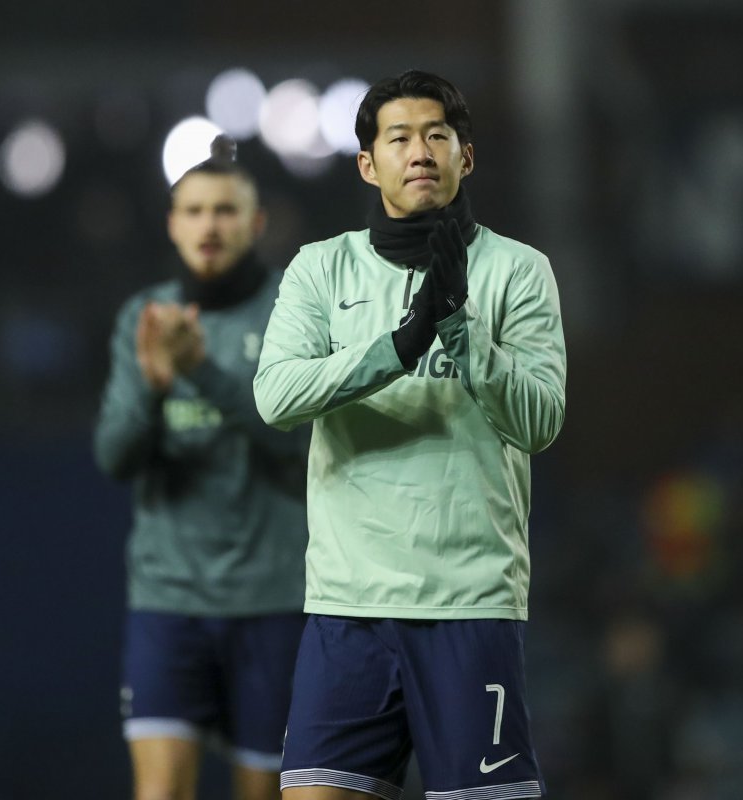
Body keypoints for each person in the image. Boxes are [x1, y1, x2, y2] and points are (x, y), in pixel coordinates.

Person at [253, 69, 567, 800]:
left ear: (466, 156)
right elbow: (276, 398)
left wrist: (459, 327)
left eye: (437, 135)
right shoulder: (320, 269)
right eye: (399, 138)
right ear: (369, 164)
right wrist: (400, 345)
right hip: (347, 605)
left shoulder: (519, 271)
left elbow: (540, 421)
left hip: (469, 602)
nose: (420, 151)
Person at [94, 139, 311, 800]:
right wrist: (156, 386)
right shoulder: (145, 317)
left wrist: (203, 373)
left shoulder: (293, 307)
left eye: (225, 210)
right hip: (169, 599)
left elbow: (302, 445)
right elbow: (114, 458)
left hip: (273, 598)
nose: (208, 225)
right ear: (172, 223)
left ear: (256, 222)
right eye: (193, 211)